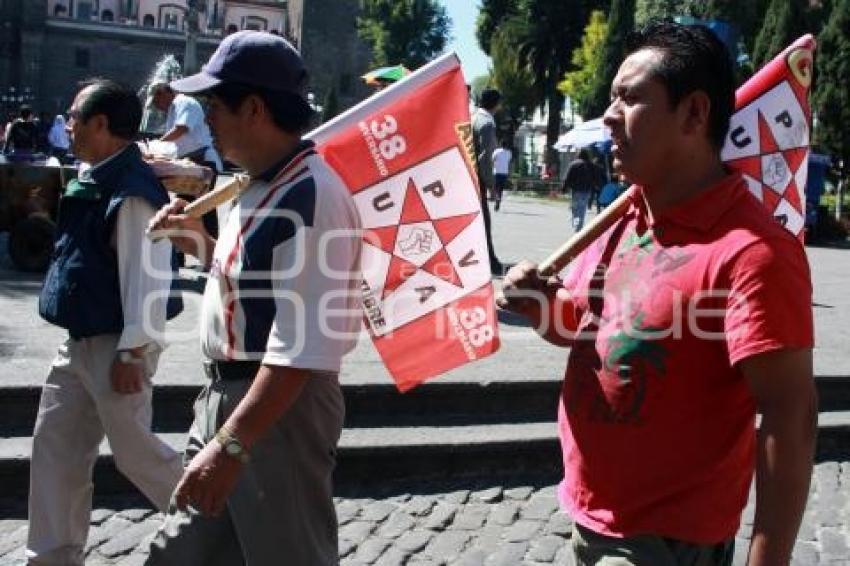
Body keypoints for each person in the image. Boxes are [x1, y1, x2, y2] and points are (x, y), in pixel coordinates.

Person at [499, 22, 815, 566]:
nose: (608, 114)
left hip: (665, 544)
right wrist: (544, 308)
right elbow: (584, 327)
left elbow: (791, 415)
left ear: (694, 113)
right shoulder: (624, 216)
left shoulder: (754, 250)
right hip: (591, 517)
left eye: (629, 97)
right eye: (611, 97)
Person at [145, 30, 362, 565]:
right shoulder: (257, 184)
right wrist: (194, 242)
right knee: (179, 555)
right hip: (230, 400)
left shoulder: (314, 196)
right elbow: (252, 283)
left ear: (256, 108)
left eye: (215, 105)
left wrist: (232, 445)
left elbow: (301, 352)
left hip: (274, 413)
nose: (207, 118)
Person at [27, 79, 184, 565]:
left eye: (75, 116)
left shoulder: (132, 189)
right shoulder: (103, 176)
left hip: (116, 344)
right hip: (82, 342)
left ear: (100, 124)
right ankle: (51, 556)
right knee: (54, 449)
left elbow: (148, 278)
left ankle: (225, 525)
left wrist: (133, 351)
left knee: (139, 456)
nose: (67, 124)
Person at [472, 87, 503, 274]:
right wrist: (491, 184)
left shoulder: (472, 118)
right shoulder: (487, 124)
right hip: (479, 179)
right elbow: (486, 157)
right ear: (497, 104)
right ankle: (490, 262)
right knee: (484, 220)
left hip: (467, 175)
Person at [562, 148, 603, 232]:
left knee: (576, 208)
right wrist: (598, 186)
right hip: (587, 190)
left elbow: (567, 178)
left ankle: (578, 226)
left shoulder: (574, 164)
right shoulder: (592, 165)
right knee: (581, 208)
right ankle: (578, 224)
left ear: (578, 155)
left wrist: (564, 188)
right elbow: (597, 177)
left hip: (576, 190)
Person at [492, 139, 512, 211]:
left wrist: (494, 166)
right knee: (501, 188)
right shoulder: (509, 153)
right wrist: (509, 172)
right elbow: (509, 163)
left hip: (497, 172)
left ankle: (497, 197)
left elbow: (493, 160)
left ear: (500, 144)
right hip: (504, 172)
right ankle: (498, 200)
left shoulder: (496, 151)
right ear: (506, 145)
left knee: (495, 187)